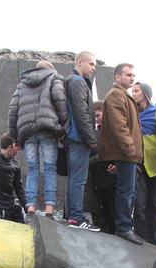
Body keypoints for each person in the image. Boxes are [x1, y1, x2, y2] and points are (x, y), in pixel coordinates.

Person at [8, 60, 68, 217]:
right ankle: (49, 207)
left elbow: (13, 110)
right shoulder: (54, 77)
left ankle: (31, 206)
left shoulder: (23, 83)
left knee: (33, 169)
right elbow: (60, 99)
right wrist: (63, 124)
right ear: (51, 69)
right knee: (50, 168)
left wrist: (15, 137)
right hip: (47, 128)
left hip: (27, 133)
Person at [99, 63, 144, 245]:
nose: (131, 78)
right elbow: (120, 125)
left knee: (129, 191)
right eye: (128, 75)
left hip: (128, 153)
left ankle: (126, 226)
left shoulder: (124, 95)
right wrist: (130, 147)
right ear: (117, 77)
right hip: (126, 153)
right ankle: (124, 227)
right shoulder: (116, 95)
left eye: (133, 75)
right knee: (126, 191)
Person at [65, 51, 100, 231]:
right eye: (91, 64)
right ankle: (76, 218)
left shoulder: (74, 81)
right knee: (79, 179)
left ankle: (72, 216)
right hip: (79, 139)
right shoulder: (77, 82)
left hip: (74, 138)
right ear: (79, 63)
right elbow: (82, 114)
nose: (94, 68)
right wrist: (91, 138)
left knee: (74, 178)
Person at [132, 81, 156, 246]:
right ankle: (140, 235)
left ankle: (155, 239)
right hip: (139, 163)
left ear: (145, 93)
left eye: (137, 91)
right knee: (139, 203)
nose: (134, 93)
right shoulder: (132, 112)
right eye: (133, 91)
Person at [88, 101, 116, 234]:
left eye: (98, 115)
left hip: (111, 180)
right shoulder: (95, 133)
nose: (96, 119)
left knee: (112, 214)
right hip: (99, 182)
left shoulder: (112, 131)